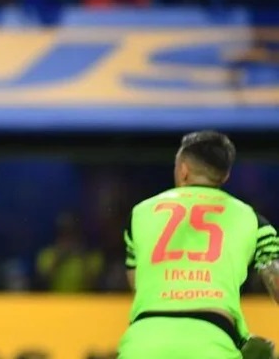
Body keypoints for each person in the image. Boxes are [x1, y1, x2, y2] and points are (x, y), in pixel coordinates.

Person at [118, 131, 279, 359]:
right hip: (212, 340)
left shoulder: (139, 214)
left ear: (183, 170)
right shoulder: (253, 221)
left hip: (143, 342)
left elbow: (138, 286)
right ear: (225, 176)